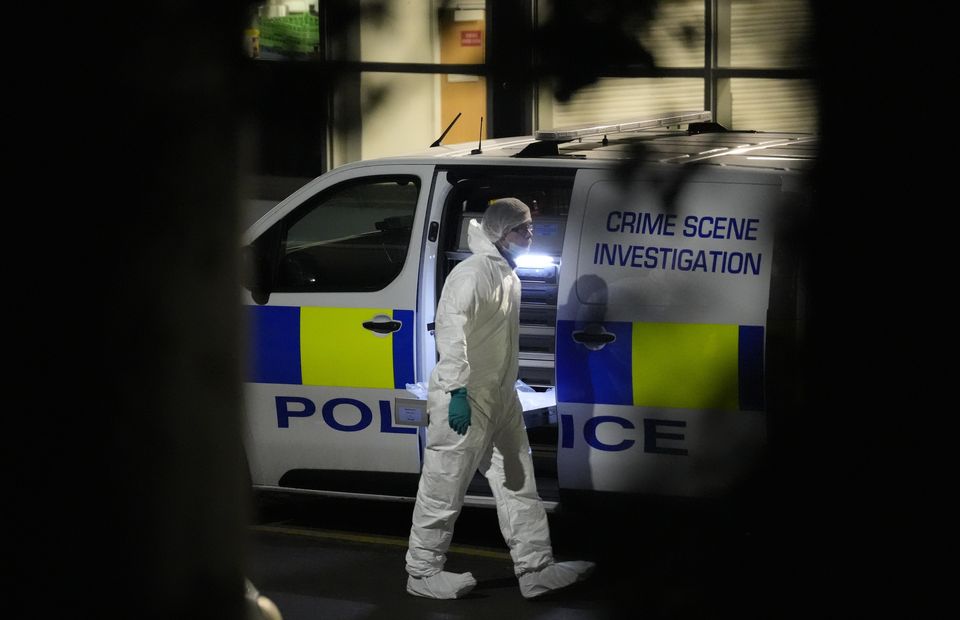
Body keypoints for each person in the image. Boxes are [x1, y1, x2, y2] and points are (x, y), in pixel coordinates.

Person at [405, 197, 596, 600]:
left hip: (499, 398)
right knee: (444, 486)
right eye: (522, 229)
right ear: (500, 231)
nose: (530, 235)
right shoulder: (471, 274)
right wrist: (456, 392)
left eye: (530, 227)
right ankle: (421, 574)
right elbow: (450, 335)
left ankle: (535, 569)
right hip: (467, 398)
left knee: (519, 485)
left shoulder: (508, 273)